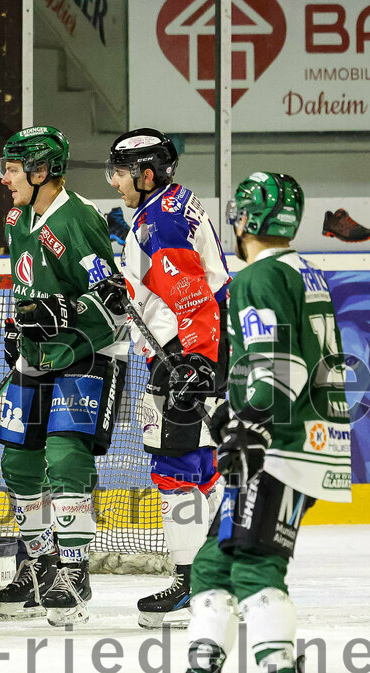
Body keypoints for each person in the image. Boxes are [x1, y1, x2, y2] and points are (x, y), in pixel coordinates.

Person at [134, 171, 352, 673]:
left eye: (237, 216)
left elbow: (277, 363)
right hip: (302, 439)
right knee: (212, 564)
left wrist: (249, 425)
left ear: (248, 221)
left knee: (253, 565)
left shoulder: (258, 275)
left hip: (279, 446)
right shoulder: (303, 271)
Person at [0, 126, 130, 626]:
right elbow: (28, 288)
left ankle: (74, 570)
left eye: (11, 168)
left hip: (88, 353)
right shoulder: (16, 219)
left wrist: (65, 311)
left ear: (41, 170)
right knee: (18, 462)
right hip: (38, 355)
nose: (4, 178)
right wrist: (19, 326)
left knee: (66, 457)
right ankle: (39, 563)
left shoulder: (80, 219)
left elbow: (114, 301)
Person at [106, 127, 230, 628]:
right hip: (201, 350)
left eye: (120, 171)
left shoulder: (160, 221)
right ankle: (215, 578)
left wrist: (193, 362)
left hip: (183, 354)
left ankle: (190, 585)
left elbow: (192, 295)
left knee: (174, 469)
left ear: (146, 174)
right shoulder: (171, 204)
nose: (114, 180)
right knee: (204, 462)